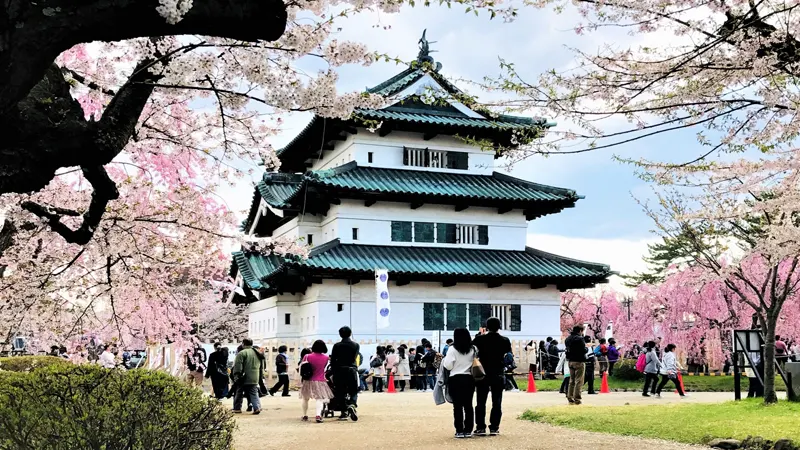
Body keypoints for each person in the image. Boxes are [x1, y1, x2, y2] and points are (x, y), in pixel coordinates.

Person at [473, 317, 511, 436]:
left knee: (480, 401)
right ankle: (494, 427)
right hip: (498, 373)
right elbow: (508, 356)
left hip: (482, 373)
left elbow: (473, 352)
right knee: (497, 401)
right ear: (499, 326)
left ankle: (480, 427)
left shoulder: (479, 339)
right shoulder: (505, 340)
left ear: (487, 327)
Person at [442, 328, 477, 439]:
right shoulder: (473, 349)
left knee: (457, 406)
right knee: (468, 405)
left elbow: (448, 365)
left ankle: (459, 430)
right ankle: (468, 430)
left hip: (455, 379)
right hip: (469, 378)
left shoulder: (452, 349)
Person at [299, 340, 335, 423]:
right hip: (320, 380)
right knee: (319, 399)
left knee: (305, 398)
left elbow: (302, 366)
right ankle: (318, 415)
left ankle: (305, 415)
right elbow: (324, 368)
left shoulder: (307, 356)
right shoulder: (326, 358)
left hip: (307, 380)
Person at [330, 326, 360, 421]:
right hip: (351, 369)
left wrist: (333, 370)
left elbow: (333, 360)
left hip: (339, 370)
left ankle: (344, 412)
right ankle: (352, 404)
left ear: (340, 334)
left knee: (340, 391)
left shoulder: (337, 346)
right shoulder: (356, 345)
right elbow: (354, 358)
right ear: (350, 333)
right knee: (353, 390)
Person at [232, 338, 262, 414]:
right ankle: (257, 407)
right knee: (253, 392)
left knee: (239, 392)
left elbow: (238, 366)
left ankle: (237, 408)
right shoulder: (257, 352)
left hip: (244, 377)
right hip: (255, 376)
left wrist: (236, 375)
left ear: (243, 344)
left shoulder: (242, 353)